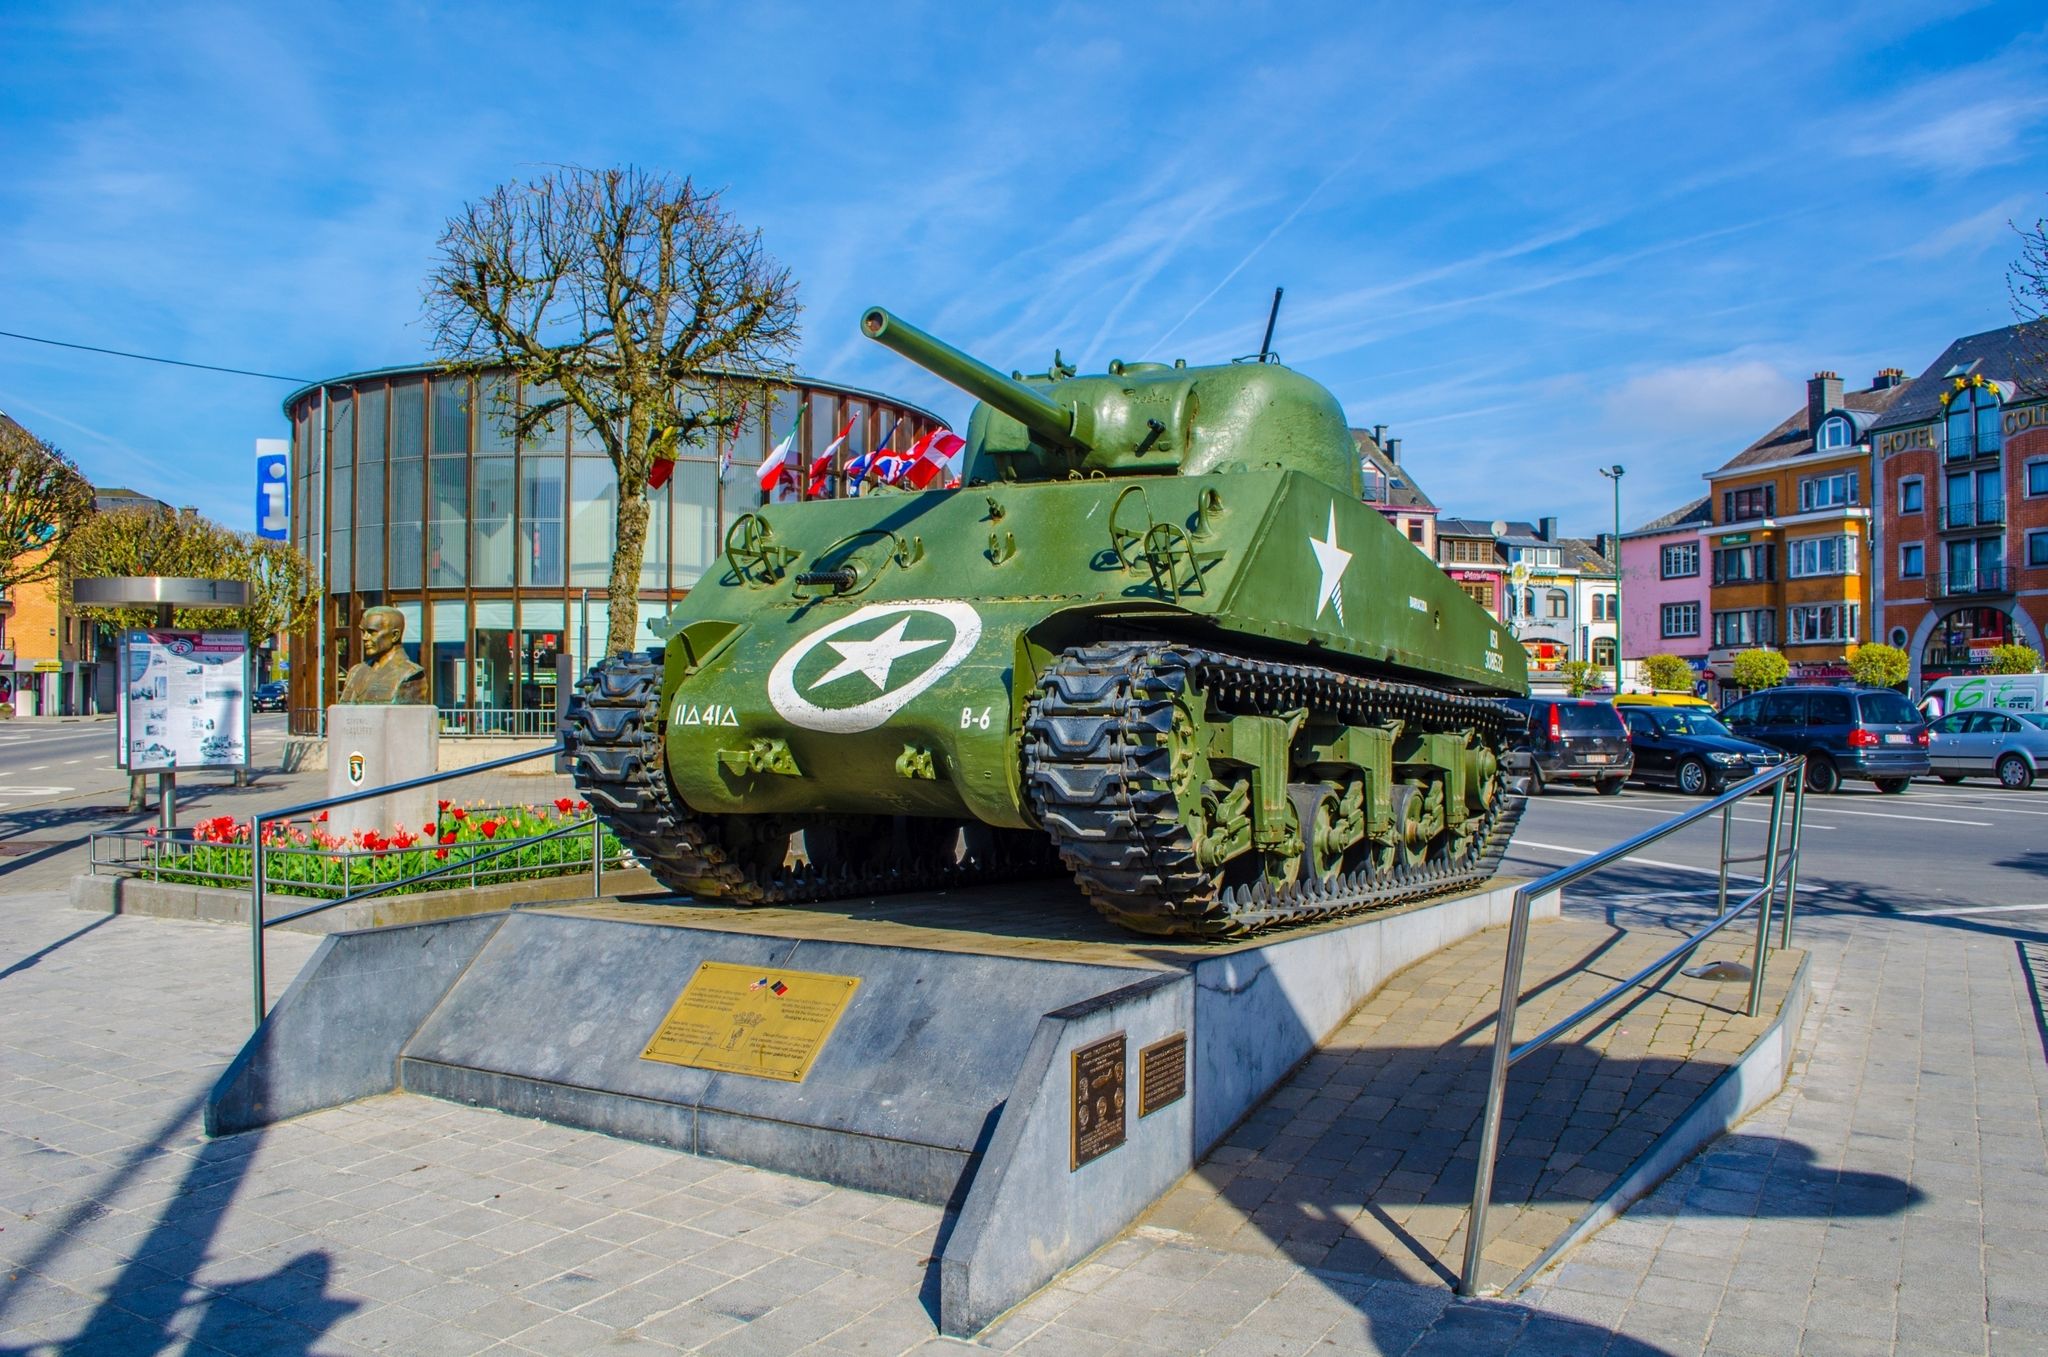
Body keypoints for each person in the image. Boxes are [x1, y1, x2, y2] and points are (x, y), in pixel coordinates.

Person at [338, 607, 427, 705]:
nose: (364, 637)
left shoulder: (411, 675)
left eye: (372, 632)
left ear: (394, 636)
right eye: (363, 632)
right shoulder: (355, 671)